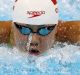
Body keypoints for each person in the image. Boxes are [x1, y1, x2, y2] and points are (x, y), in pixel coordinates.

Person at [0, 0, 80, 56]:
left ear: (56, 28)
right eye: (24, 29)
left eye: (44, 30)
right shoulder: (2, 32)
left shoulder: (70, 32)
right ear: (13, 26)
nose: (33, 40)